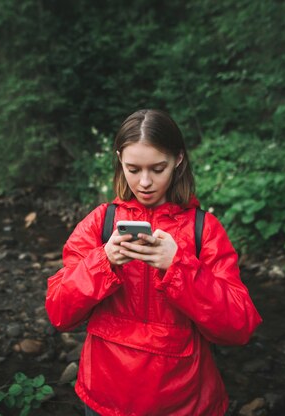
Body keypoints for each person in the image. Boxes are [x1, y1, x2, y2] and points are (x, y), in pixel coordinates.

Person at [45, 109, 262, 416]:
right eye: (133, 169)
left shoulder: (204, 230)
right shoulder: (100, 223)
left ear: (178, 160)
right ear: (119, 160)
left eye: (157, 169)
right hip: (105, 398)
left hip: (184, 403)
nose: (145, 182)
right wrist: (103, 261)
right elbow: (59, 312)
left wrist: (180, 267)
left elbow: (239, 328)